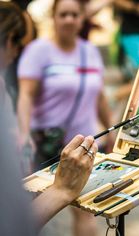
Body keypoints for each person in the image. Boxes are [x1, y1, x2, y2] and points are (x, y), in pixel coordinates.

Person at [0, 1, 97, 235]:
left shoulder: (89, 50)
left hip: (84, 142)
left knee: (86, 213)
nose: (16, 56)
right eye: (63, 14)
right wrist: (60, 191)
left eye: (75, 14)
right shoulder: (39, 51)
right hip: (49, 142)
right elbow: (26, 94)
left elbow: (99, 94)